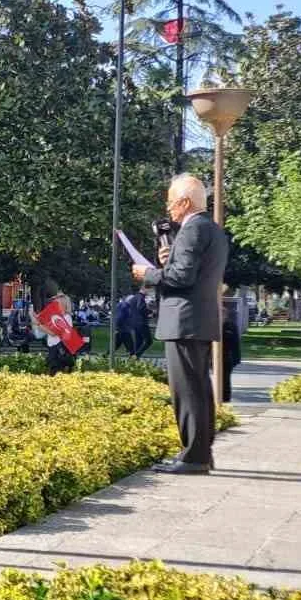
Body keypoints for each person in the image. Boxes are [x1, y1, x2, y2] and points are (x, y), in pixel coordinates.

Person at [131, 174, 229, 475]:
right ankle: (200, 453)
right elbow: (187, 272)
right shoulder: (211, 230)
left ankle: (193, 457)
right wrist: (168, 260)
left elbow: (181, 278)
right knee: (198, 388)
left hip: (184, 320)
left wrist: (147, 274)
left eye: (171, 202)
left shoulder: (191, 230)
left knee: (186, 390)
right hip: (197, 319)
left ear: (185, 203)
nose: (169, 208)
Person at [114, 287, 150, 358]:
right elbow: (120, 318)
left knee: (117, 345)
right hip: (125, 329)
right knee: (132, 347)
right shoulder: (125, 307)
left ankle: (105, 355)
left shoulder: (126, 306)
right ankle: (134, 357)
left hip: (126, 328)